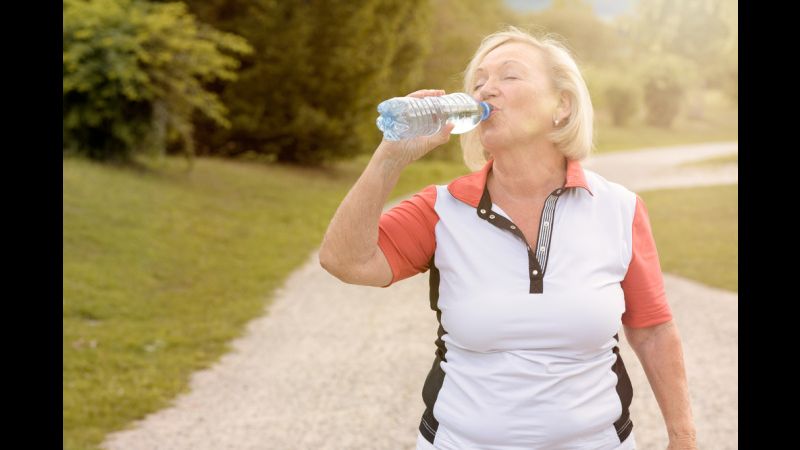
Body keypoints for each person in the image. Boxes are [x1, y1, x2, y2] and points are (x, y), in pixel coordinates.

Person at [319, 26, 697, 450]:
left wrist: (682, 437)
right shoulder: (442, 209)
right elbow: (343, 260)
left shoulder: (619, 208)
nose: (486, 90)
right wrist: (390, 156)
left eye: (509, 76)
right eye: (478, 81)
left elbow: (652, 331)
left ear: (562, 105)